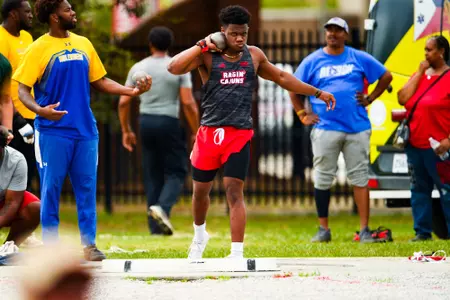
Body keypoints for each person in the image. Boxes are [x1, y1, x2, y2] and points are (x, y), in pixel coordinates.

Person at [168, 5, 336, 259]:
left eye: (243, 34)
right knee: (200, 192)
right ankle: (200, 236)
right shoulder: (208, 56)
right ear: (222, 32)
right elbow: (173, 67)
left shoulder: (253, 56)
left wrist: (316, 92)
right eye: (234, 34)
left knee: (234, 191)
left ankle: (237, 252)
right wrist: (201, 45)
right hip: (210, 133)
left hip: (239, 133)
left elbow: (281, 76)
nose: (239, 39)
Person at [13, 0, 152, 261]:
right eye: (67, 10)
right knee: (50, 189)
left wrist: (131, 91)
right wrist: (40, 111)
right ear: (54, 17)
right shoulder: (38, 48)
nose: (72, 12)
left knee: (86, 188)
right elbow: (22, 88)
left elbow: (99, 80)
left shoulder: (83, 43)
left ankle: (89, 245)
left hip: (85, 131)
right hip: (52, 131)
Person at [290, 17, 392, 243]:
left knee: (359, 177)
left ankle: (365, 229)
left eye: (337, 30)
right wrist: (301, 114)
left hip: (357, 127)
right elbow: (292, 86)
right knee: (323, 177)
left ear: (345, 34)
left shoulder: (357, 57)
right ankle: (323, 229)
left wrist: (370, 98)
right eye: (329, 30)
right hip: (325, 127)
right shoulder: (313, 60)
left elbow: (386, 76)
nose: (332, 34)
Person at [119, 26, 199, 236]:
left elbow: (123, 102)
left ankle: (155, 228)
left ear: (150, 44)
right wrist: (196, 130)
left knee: (152, 173)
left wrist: (126, 130)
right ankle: (162, 208)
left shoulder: (138, 67)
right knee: (177, 170)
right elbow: (188, 102)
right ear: (169, 45)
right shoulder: (177, 67)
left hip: (145, 122)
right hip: (169, 122)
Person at [397, 35, 450, 241]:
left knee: (446, 191)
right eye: (425, 50)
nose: (426, 54)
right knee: (419, 190)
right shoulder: (419, 75)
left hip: (440, 147)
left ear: (441, 52)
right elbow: (403, 98)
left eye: (429, 50)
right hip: (415, 145)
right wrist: (419, 72)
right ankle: (422, 231)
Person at [0, 0, 36, 192]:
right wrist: (16, 119)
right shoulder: (1, 38)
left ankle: (21, 216)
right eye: (27, 11)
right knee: (9, 172)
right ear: (14, 14)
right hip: (12, 120)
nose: (31, 15)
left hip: (31, 115)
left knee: (28, 171)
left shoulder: (28, 38)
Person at [0, 125, 41, 255]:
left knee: (35, 207)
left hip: (3, 200)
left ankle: (8, 248)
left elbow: (12, 203)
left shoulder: (16, 159)